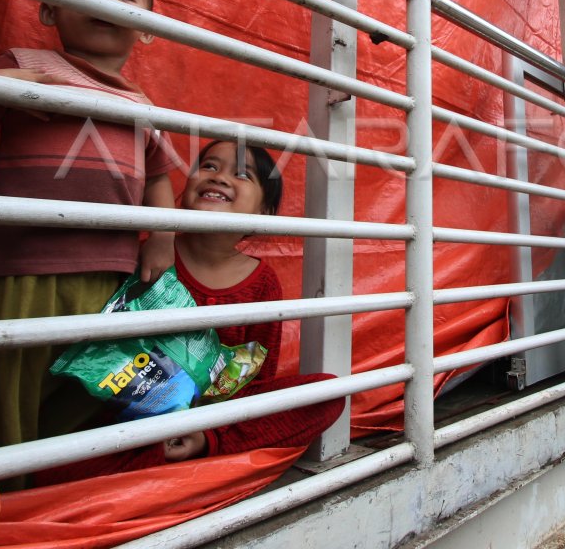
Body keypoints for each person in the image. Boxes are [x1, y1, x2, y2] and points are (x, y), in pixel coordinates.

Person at [0, 0, 178, 467]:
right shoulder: (24, 63)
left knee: (94, 382)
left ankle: (58, 481)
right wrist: (2, 84)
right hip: (24, 262)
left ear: (148, 29)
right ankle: (1, 489)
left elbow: (157, 175)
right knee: (11, 384)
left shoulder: (139, 103)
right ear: (47, 7)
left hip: (108, 270)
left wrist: (161, 237)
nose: (101, 0)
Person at [33, 140, 344, 486]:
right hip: (129, 421)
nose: (219, 178)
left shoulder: (263, 284)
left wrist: (208, 434)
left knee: (326, 394)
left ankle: (199, 450)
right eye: (209, 166)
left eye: (242, 174)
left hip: (209, 423)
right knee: (47, 467)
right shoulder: (149, 257)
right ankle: (160, 461)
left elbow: (256, 382)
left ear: (263, 214)